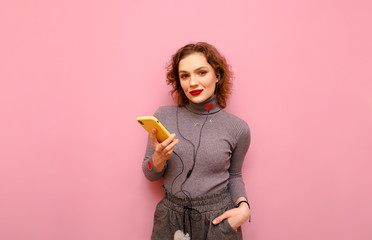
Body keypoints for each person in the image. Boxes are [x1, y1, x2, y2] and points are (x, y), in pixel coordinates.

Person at [142, 42, 251, 240]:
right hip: (170, 219)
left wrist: (244, 208)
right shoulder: (162, 117)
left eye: (201, 72)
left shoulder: (238, 128)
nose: (192, 83)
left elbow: (234, 175)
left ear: (217, 75)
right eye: (185, 75)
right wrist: (158, 158)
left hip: (217, 220)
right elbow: (149, 173)